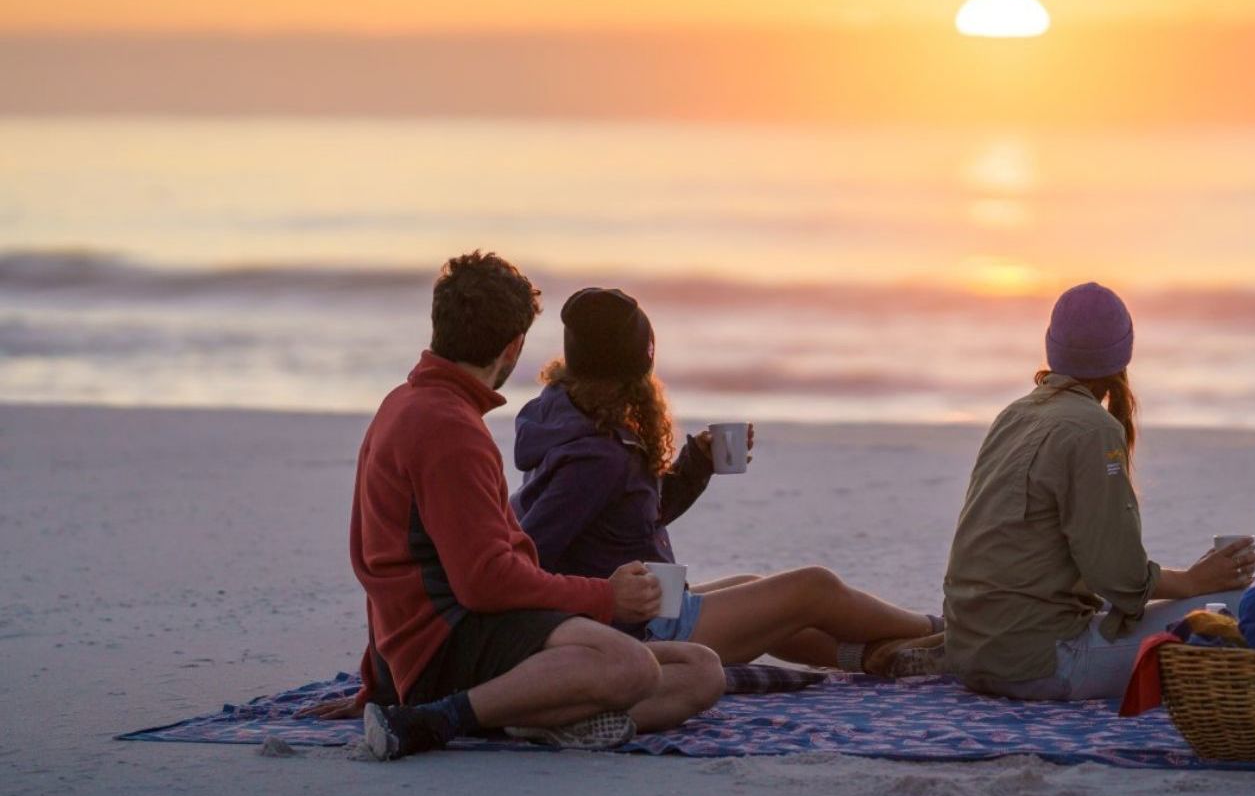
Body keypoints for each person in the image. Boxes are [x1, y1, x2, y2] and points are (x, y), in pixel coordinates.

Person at [344, 253, 724, 761]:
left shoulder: (403, 403)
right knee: (630, 668)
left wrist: (378, 676)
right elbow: (485, 583)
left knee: (702, 671)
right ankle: (438, 719)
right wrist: (605, 598)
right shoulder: (450, 429)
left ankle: (539, 719)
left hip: (443, 644)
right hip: (450, 644)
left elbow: (373, 560)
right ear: (513, 347)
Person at [511, 287, 942, 675]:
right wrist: (606, 597)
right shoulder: (597, 456)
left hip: (644, 608)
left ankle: (875, 657)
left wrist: (696, 463)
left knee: (753, 588)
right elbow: (529, 555)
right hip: (635, 630)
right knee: (814, 587)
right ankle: (945, 631)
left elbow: (634, 517)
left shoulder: (568, 417)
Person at [941, 282, 1255, 700]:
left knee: (1197, 603)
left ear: (1052, 347)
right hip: (1040, 665)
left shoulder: (1014, 414)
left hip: (970, 655)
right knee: (1238, 607)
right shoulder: (1094, 430)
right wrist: (1196, 582)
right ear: (1123, 354)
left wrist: (1188, 580)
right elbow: (1120, 581)